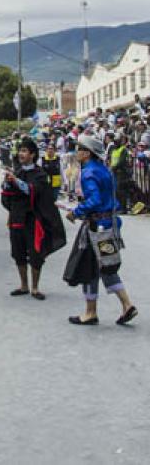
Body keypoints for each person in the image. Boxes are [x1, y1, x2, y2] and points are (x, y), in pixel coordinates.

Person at [64, 135, 137, 326]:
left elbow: (94, 200)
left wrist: (76, 212)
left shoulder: (88, 172)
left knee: (89, 268)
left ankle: (90, 312)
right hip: (109, 223)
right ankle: (127, 304)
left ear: (87, 153)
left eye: (79, 148)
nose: (76, 151)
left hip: (96, 227)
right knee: (107, 265)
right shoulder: (104, 170)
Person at [1, 136, 66, 300]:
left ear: (33, 154)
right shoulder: (18, 172)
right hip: (17, 217)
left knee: (36, 253)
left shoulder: (40, 174)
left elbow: (33, 191)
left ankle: (35, 287)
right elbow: (8, 196)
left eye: (24, 151)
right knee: (18, 252)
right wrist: (8, 184)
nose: (21, 154)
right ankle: (23, 285)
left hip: (33, 219)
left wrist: (15, 181)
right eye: (20, 150)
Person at [110, 134, 132, 214]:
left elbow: (122, 161)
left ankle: (123, 209)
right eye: (115, 142)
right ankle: (118, 207)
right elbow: (112, 159)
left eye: (117, 142)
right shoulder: (114, 150)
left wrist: (114, 167)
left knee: (121, 191)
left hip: (121, 172)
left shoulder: (123, 149)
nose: (116, 143)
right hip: (115, 172)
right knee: (116, 191)